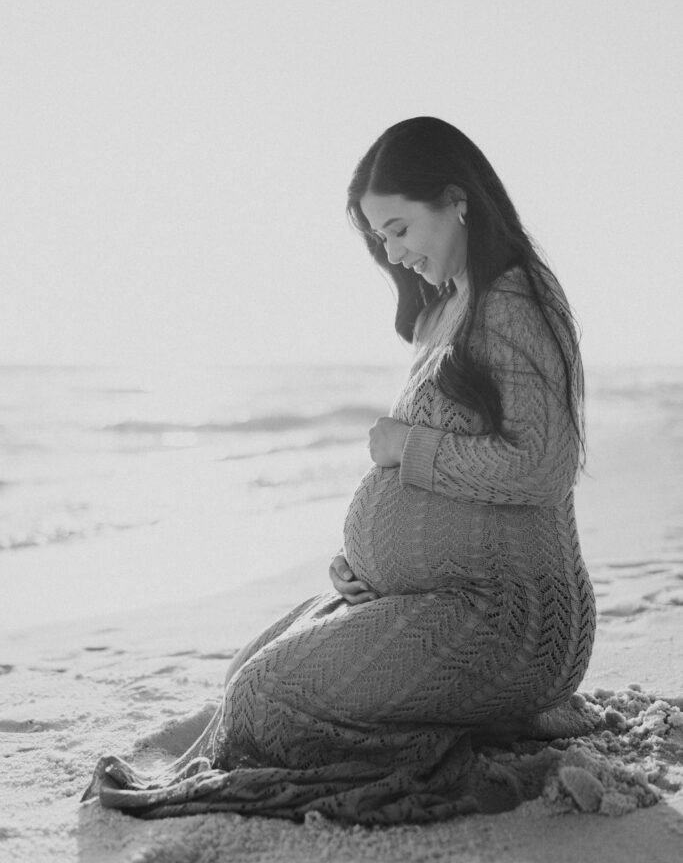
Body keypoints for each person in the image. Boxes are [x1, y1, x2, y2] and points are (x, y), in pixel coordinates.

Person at [83, 116, 596, 824]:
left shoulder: (514, 301)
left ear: (457, 200)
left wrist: (400, 449)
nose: (391, 252)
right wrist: (364, 564)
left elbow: (541, 468)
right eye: (377, 237)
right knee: (247, 670)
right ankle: (457, 714)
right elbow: (448, 490)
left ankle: (473, 722)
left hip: (510, 623)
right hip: (444, 597)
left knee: (265, 700)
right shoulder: (445, 312)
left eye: (398, 227)